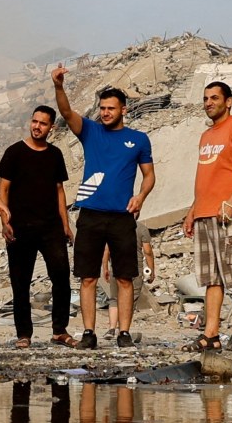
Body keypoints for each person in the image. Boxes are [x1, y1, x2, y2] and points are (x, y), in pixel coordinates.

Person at [51, 65, 155, 349]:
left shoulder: (139, 139)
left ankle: (123, 332)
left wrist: (141, 197)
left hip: (122, 217)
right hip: (91, 214)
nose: (106, 112)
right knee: (88, 276)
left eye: (111, 108)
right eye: (103, 108)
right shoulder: (91, 132)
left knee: (124, 277)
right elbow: (67, 113)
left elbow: (149, 176)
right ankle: (88, 333)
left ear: (124, 109)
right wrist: (59, 87)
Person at [183, 81, 232, 351]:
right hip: (205, 213)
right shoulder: (206, 136)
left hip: (231, 213)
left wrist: (231, 202)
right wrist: (193, 210)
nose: (208, 102)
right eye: (205, 98)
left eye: (214, 98)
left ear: (228, 101)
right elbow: (205, 177)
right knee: (212, 278)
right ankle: (211, 335)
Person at [0, 105, 73, 347]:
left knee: (61, 276)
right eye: (35, 121)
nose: (37, 127)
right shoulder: (14, 152)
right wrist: (5, 221)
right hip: (20, 228)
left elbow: (60, 191)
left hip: (50, 228)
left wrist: (65, 224)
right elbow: (2, 188)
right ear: (31, 121)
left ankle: (60, 330)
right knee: (20, 282)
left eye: (43, 123)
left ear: (52, 127)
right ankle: (23, 334)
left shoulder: (55, 154)